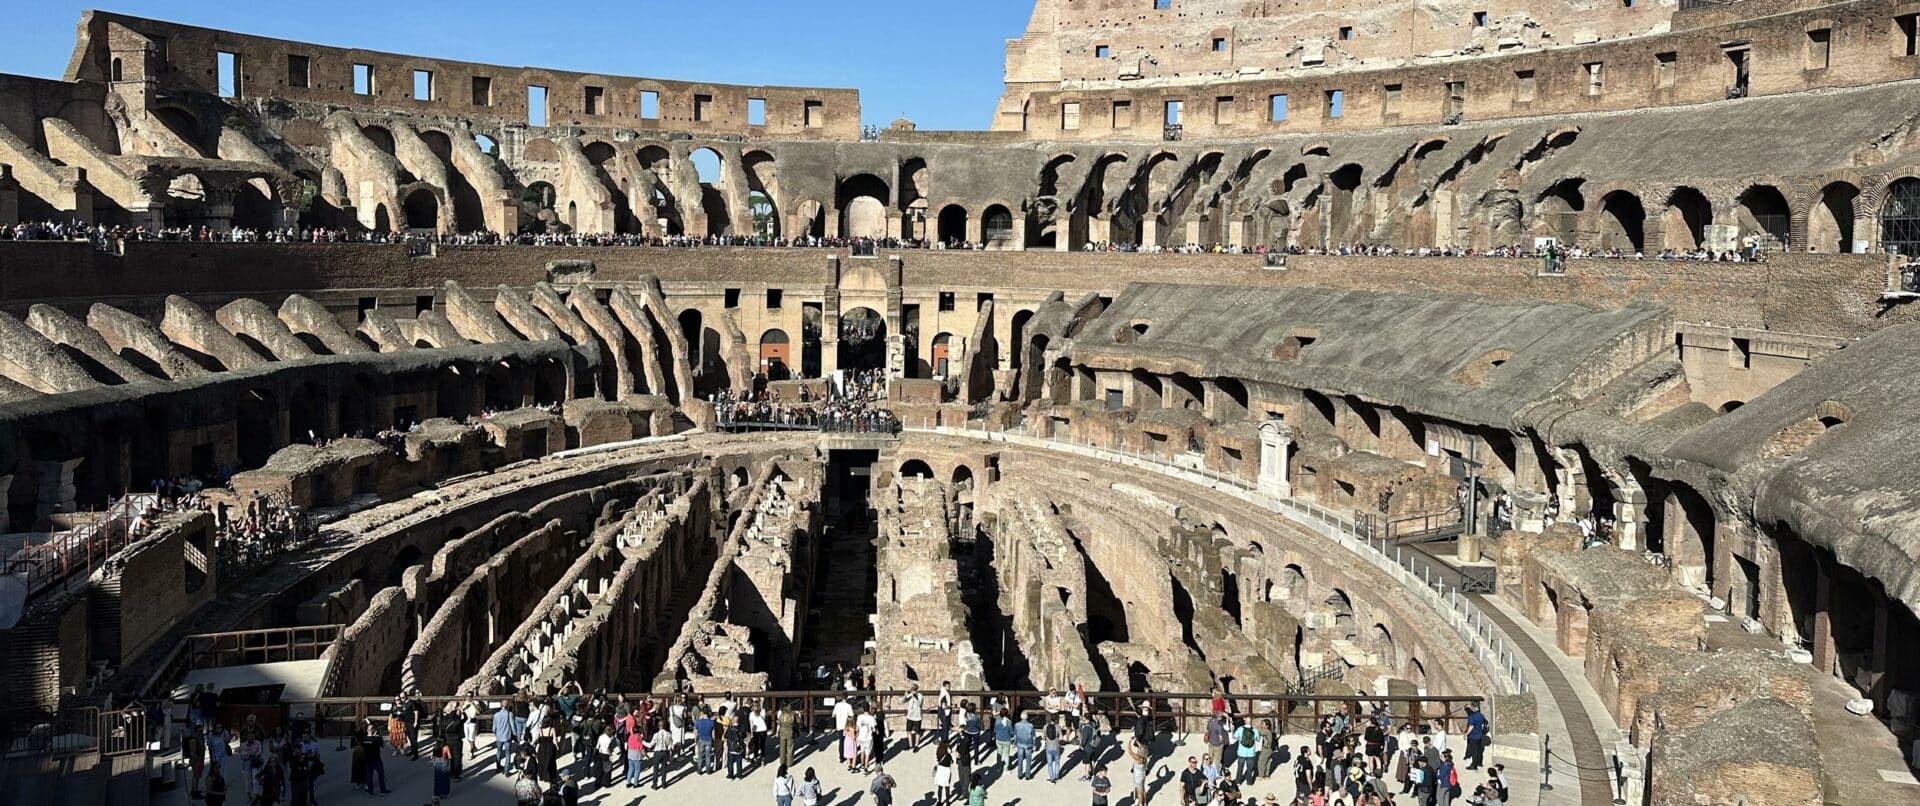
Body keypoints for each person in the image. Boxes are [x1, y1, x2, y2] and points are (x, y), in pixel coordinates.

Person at [1464, 706, 1488, 771]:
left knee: (1474, 752)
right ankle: (1479, 762)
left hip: (1473, 736)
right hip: (1479, 736)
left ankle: (1474, 765)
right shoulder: (1481, 715)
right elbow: (1483, 724)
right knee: (1478, 750)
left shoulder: (1472, 717)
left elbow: (1471, 726)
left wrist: (1466, 734)